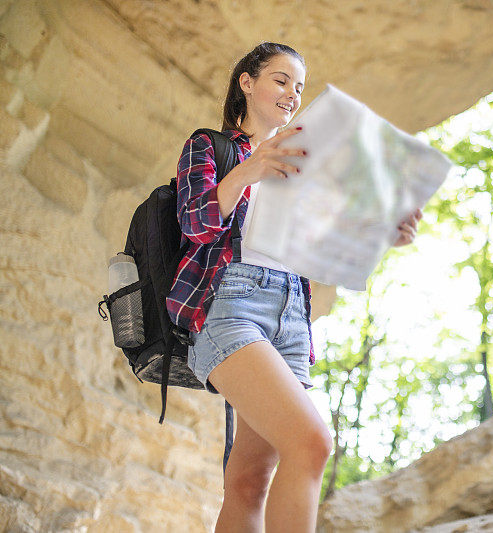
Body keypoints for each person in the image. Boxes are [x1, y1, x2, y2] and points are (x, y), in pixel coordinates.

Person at [166, 42, 423, 532]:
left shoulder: (306, 165)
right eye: (281, 80)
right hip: (230, 305)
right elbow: (195, 223)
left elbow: (326, 246)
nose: (291, 94)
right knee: (311, 444)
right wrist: (248, 171)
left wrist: (385, 233)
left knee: (249, 480)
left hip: (290, 317)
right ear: (248, 82)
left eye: (299, 88)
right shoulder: (210, 146)